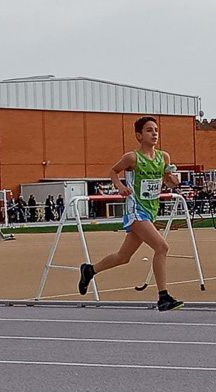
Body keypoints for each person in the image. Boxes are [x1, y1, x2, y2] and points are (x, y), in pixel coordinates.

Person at [78, 116, 183, 311]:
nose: (154, 134)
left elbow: (167, 181)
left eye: (156, 130)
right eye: (149, 130)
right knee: (162, 247)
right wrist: (120, 186)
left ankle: (90, 270)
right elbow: (113, 171)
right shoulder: (132, 158)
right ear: (139, 135)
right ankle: (163, 297)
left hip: (151, 210)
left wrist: (173, 181)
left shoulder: (163, 157)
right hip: (136, 210)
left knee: (123, 257)